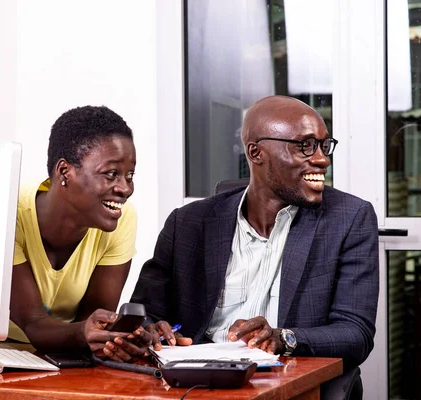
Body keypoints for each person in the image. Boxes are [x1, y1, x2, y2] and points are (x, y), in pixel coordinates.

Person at [130, 96, 379, 396]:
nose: (322, 159)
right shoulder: (188, 223)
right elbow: (143, 313)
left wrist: (283, 338)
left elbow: (356, 333)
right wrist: (150, 330)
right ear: (256, 152)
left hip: (282, 386)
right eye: (305, 145)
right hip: (190, 386)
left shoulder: (349, 218)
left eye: (324, 146)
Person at [8, 105, 151, 361]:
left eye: (129, 175)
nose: (126, 189)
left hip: (65, 358)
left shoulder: (122, 218)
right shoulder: (9, 212)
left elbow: (93, 318)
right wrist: (85, 334)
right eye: (111, 174)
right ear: (65, 172)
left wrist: (115, 337)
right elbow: (32, 323)